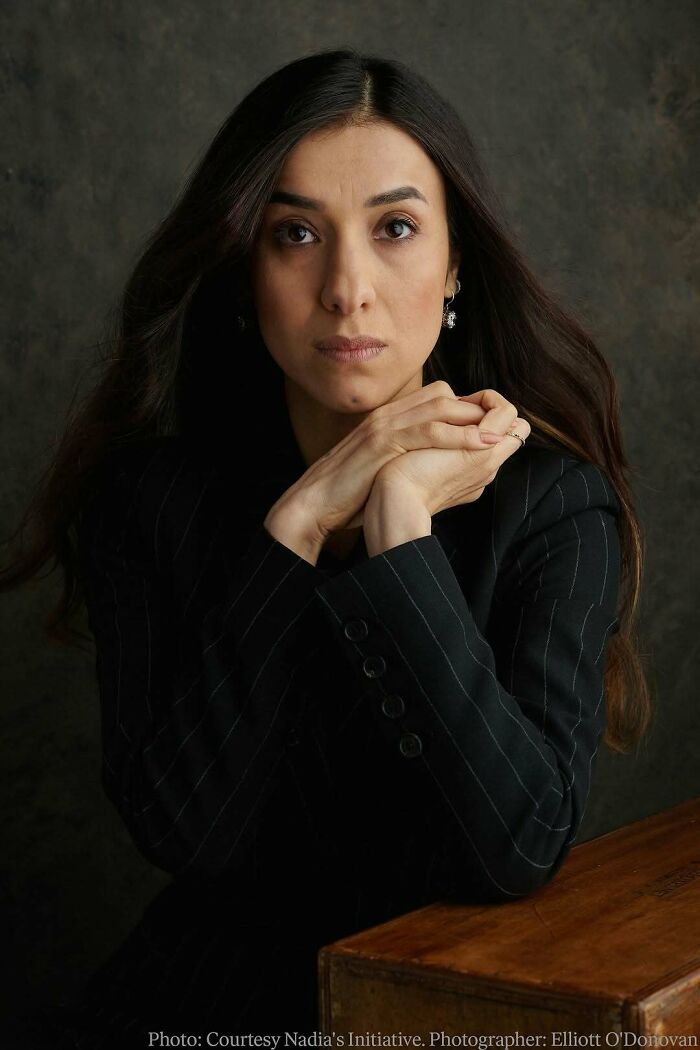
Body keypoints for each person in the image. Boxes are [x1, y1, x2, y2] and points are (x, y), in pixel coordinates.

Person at [0, 48, 651, 1046]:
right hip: (195, 1017)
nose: (347, 288)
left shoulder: (553, 509)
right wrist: (297, 527)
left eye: (394, 228)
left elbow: (514, 847)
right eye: (295, 233)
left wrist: (398, 532)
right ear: (241, 266)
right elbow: (188, 833)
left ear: (454, 266)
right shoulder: (150, 502)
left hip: (438, 1024)